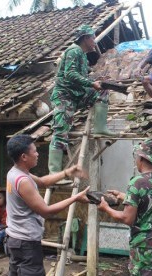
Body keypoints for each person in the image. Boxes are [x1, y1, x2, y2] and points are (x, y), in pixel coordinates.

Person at [5, 134, 90, 275]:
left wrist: (66, 172)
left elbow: (43, 181)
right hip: (26, 243)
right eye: (34, 151)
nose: (37, 154)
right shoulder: (23, 181)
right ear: (24, 157)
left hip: (14, 239)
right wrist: (75, 198)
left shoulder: (14, 172)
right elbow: (46, 211)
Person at [97, 138, 152, 275]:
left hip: (145, 245)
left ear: (141, 158)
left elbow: (127, 219)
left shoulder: (137, 182)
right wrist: (124, 195)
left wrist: (106, 208)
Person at [49, 24, 116, 179]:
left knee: (102, 92)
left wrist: (95, 82)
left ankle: (100, 127)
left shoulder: (82, 56)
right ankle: (54, 174)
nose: (94, 41)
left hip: (76, 95)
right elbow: (70, 74)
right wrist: (91, 84)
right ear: (85, 38)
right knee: (60, 132)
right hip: (64, 96)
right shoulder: (74, 51)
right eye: (92, 37)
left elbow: (82, 79)